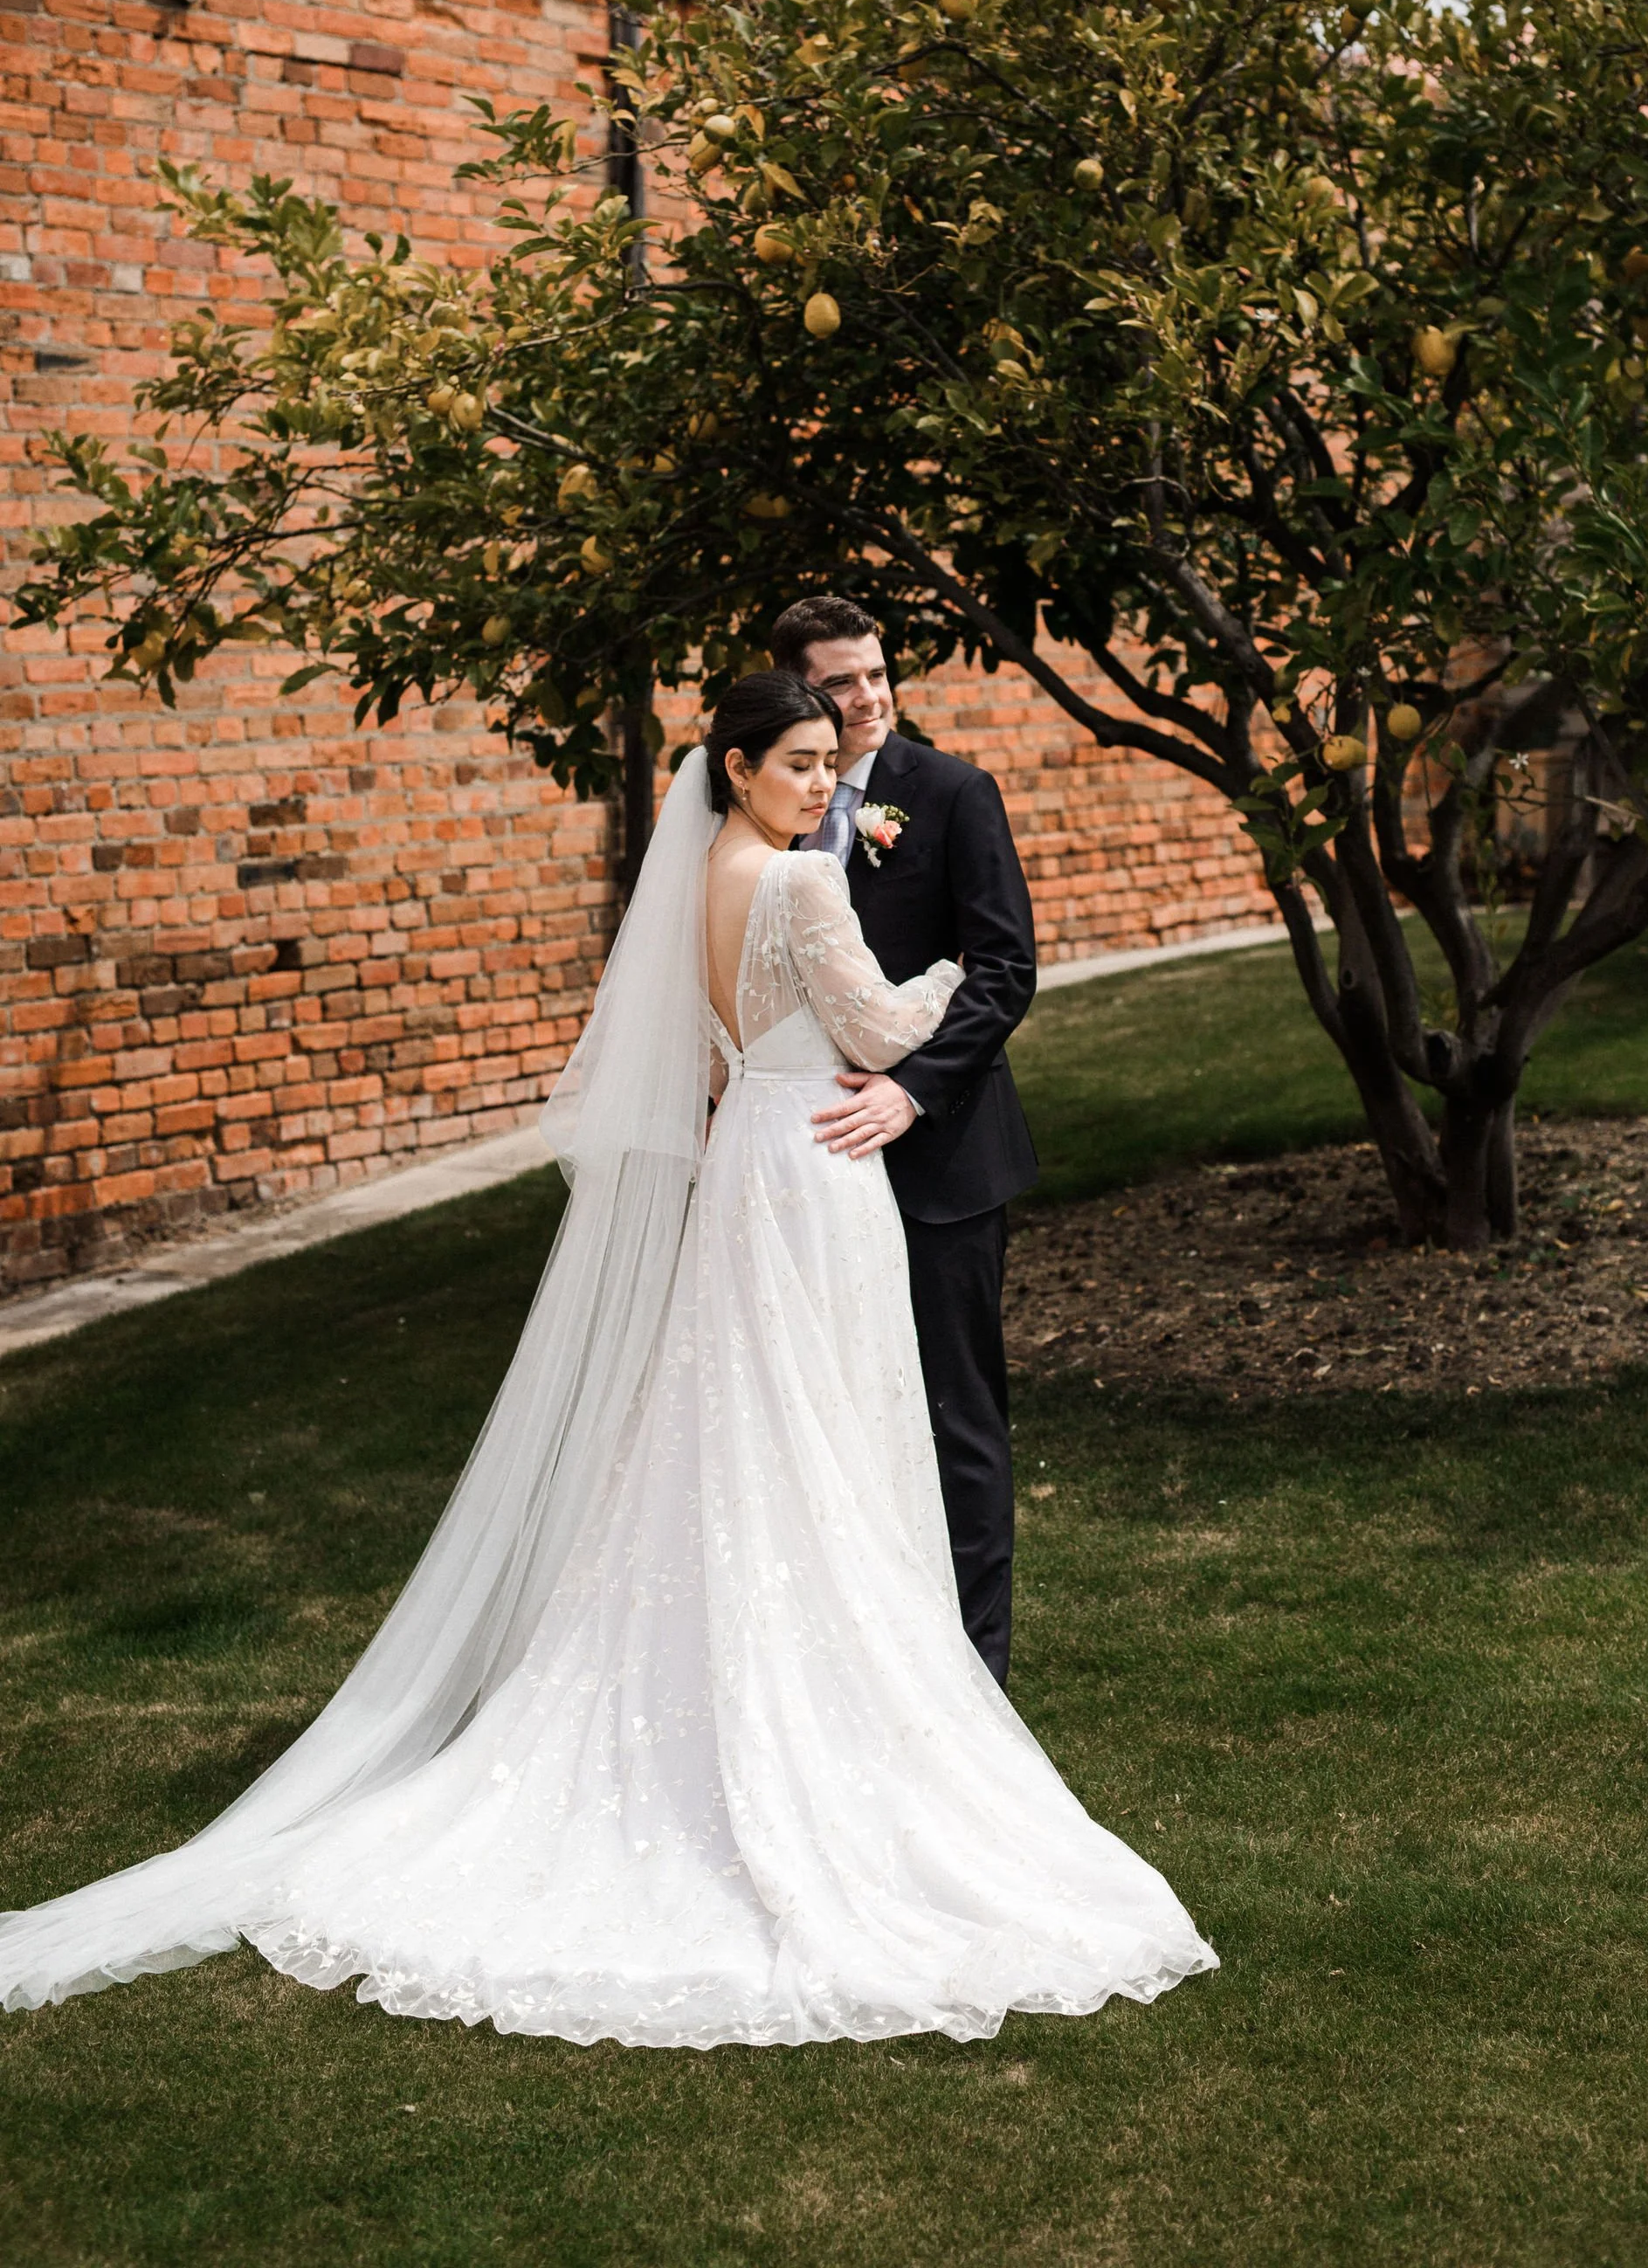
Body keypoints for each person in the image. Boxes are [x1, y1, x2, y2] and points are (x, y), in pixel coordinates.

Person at [0, 672, 1215, 2049]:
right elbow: (877, 1031)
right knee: (825, 1428)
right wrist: (942, 974)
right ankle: (834, 1717)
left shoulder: (705, 867)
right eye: (803, 764)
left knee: (744, 1428)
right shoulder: (807, 886)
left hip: (750, 1155)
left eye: (832, 765)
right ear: (741, 765)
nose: (827, 786)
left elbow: (718, 1047)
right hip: (815, 1169)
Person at [769, 598, 1035, 1686]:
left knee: (952, 1414)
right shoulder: (766, 809)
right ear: (796, 690)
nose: (868, 699)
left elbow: (1002, 969)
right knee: (834, 1411)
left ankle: (978, 1678)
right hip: (806, 1160)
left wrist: (909, 1093)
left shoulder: (954, 793)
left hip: (943, 1159)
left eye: (876, 674)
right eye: (839, 683)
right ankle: (863, 1662)